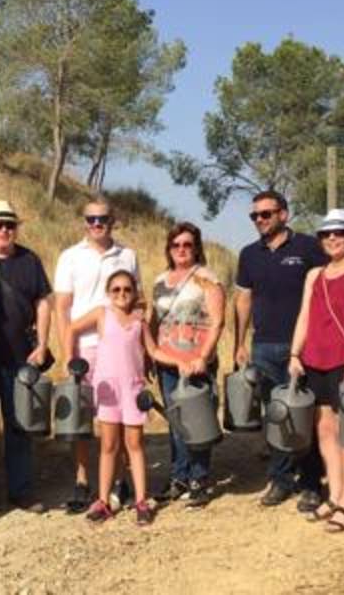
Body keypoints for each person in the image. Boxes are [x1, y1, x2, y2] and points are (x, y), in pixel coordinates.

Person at [233, 190, 327, 512]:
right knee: (275, 417)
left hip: (303, 347)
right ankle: (281, 480)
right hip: (263, 347)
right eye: (254, 215)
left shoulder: (308, 248)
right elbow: (243, 299)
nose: (259, 220)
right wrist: (240, 343)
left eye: (266, 214)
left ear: (283, 215)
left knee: (306, 414)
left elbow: (325, 291)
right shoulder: (248, 254)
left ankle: (313, 483)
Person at [288, 209, 344, 534]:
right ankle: (335, 494)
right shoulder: (315, 275)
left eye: (339, 232)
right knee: (325, 429)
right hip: (315, 359)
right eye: (326, 234)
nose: (332, 239)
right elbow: (304, 317)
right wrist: (295, 353)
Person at [54, 197, 140, 513]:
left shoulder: (127, 255)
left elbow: (135, 302)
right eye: (91, 219)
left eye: (102, 218)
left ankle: (119, 481)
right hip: (84, 346)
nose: (97, 224)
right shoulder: (70, 257)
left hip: (117, 346)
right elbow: (62, 308)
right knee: (82, 417)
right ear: (84, 222)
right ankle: (82, 479)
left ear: (112, 220)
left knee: (113, 417)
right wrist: (68, 351)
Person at [0, 200, 52, 514]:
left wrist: (43, 344)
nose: (4, 230)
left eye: (9, 225)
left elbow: (43, 303)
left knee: (20, 426)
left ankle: (21, 491)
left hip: (20, 359)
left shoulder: (30, 260)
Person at [65, 270, 156, 526]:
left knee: (135, 445)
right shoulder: (102, 314)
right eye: (116, 289)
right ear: (108, 293)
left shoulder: (140, 322)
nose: (122, 294)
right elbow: (71, 328)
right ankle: (103, 501)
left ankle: (141, 500)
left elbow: (154, 350)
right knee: (108, 446)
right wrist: (68, 358)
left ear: (134, 292)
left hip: (132, 389)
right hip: (107, 389)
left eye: (127, 289)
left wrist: (185, 360)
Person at [148, 222, 225, 509]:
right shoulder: (159, 280)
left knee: (198, 419)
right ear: (169, 248)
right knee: (176, 422)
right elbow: (154, 321)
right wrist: (149, 355)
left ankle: (199, 478)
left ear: (196, 247)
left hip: (195, 363)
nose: (181, 249)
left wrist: (202, 357)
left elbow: (217, 321)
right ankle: (179, 476)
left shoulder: (206, 278)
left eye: (187, 244)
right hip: (168, 362)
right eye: (176, 245)